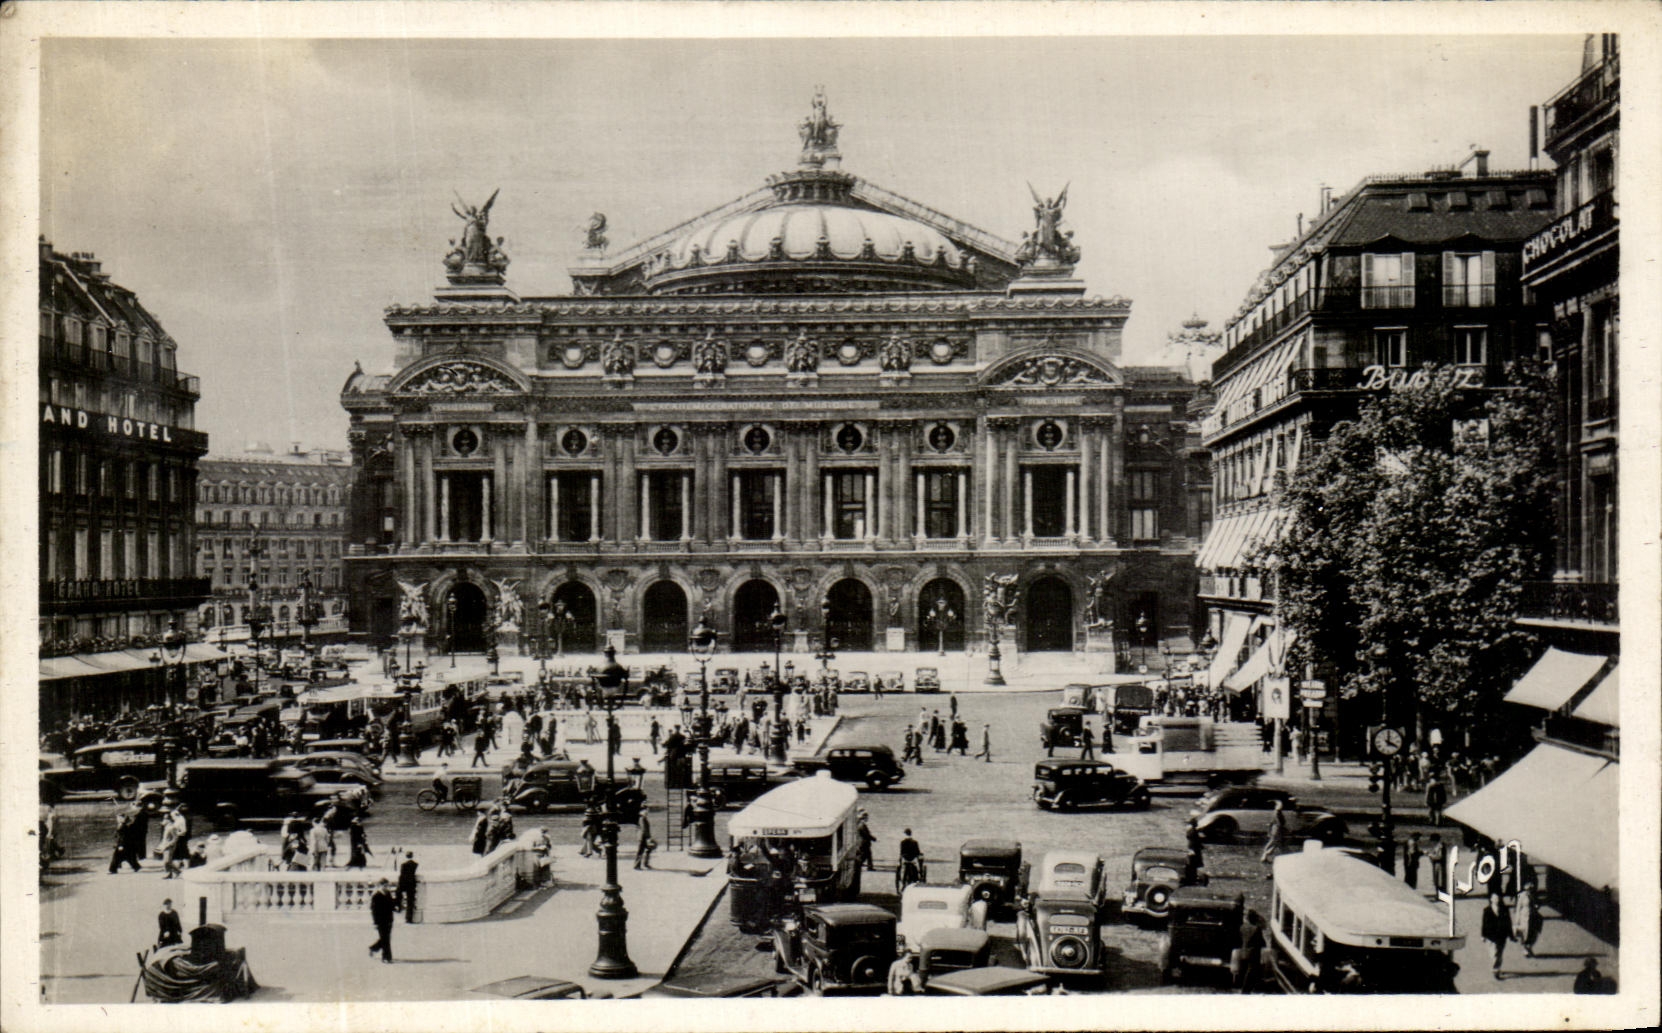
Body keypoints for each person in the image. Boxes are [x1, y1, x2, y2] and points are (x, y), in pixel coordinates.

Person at [1233, 908, 1265, 992]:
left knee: (1243, 971)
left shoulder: (1242, 927)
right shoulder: (1256, 929)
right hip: (1253, 954)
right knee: (1251, 973)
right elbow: (1262, 942)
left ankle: (1241, 987)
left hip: (1243, 952)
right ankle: (1247, 990)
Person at [1480, 891, 1511, 979]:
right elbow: (1484, 924)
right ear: (1491, 900)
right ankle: (1495, 970)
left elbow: (1508, 922)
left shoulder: (1505, 909)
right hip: (1491, 936)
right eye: (1495, 898)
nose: (1497, 900)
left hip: (1502, 936)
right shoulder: (1487, 910)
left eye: (1498, 898)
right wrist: (1483, 935)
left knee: (1499, 953)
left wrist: (1511, 935)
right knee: (1495, 953)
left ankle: (1497, 967)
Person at [369, 879, 397, 962]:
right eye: (384, 885)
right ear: (380, 886)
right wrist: (375, 922)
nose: (386, 887)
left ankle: (373, 948)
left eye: (387, 885)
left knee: (385, 938)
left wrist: (395, 906)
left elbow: (391, 905)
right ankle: (387, 957)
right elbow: (374, 911)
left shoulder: (388, 894)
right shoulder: (376, 896)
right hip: (381, 921)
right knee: (385, 939)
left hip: (389, 920)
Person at [1513, 878, 1542, 958]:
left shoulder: (1533, 895)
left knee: (1532, 933)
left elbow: (1536, 904)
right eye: (1528, 889)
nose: (1529, 890)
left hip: (1532, 916)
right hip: (1524, 917)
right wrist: (1517, 919)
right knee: (1524, 933)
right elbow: (1518, 908)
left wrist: (1536, 906)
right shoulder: (1522, 896)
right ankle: (1525, 948)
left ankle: (1529, 947)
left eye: (1531, 889)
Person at [1260, 800, 1286, 871]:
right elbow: (1279, 823)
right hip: (1277, 830)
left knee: (1276, 844)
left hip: (1276, 829)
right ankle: (1265, 855)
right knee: (1274, 843)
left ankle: (1265, 856)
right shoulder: (1278, 813)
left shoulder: (1276, 812)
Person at [397, 851, 420, 923]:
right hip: (412, 884)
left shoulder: (403, 865)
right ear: (412, 856)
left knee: (399, 896)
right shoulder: (415, 864)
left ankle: (399, 909)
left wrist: (400, 885)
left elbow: (402, 875)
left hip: (404, 884)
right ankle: (409, 919)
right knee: (410, 902)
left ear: (406, 856)